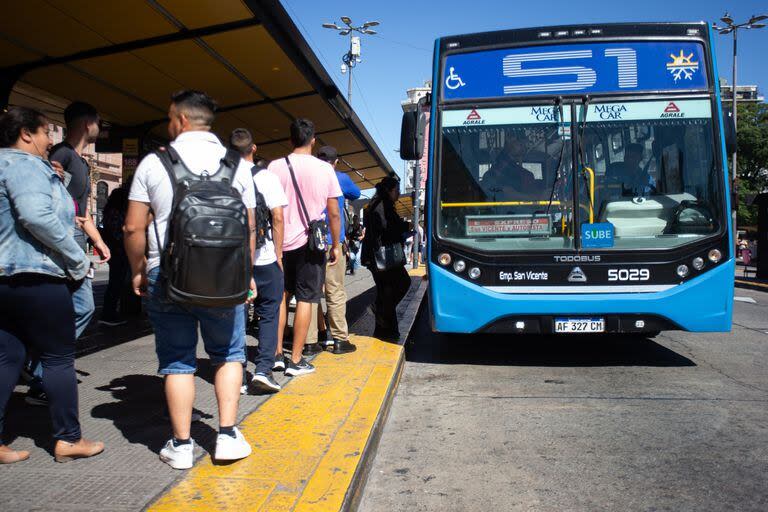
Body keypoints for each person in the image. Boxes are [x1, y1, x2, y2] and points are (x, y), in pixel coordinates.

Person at [124, 90, 256, 469]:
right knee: (229, 354)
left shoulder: (155, 162)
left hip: (167, 274)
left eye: (169, 118)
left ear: (180, 120)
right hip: (226, 277)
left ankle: (181, 446)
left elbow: (133, 226)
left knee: (177, 361)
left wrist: (138, 267)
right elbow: (248, 228)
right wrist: (245, 275)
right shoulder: (238, 164)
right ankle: (227, 436)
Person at [0, 106, 104, 464]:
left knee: (9, 356)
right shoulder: (25, 166)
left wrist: (51, 178)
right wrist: (76, 258)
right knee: (59, 358)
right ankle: (67, 439)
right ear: (26, 134)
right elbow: (35, 215)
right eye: (46, 133)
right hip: (37, 276)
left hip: (4, 278)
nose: (50, 141)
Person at [26, 102, 112, 406]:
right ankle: (38, 371)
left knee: (69, 308)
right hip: (62, 241)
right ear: (86, 122)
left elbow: (83, 210)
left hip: (75, 238)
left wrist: (98, 241)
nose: (100, 128)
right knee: (80, 306)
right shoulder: (61, 155)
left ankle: (36, 366)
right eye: (98, 122)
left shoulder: (79, 161)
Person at [268, 119, 342, 376]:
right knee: (306, 299)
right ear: (313, 140)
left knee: (280, 296)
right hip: (311, 243)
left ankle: (276, 354)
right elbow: (333, 213)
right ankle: (296, 359)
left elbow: (269, 208)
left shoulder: (274, 167)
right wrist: (336, 245)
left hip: (279, 243)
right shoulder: (325, 170)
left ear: (290, 140)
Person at [229, 128, 286, 394]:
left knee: (236, 315)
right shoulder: (267, 177)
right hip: (264, 256)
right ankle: (263, 370)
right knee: (269, 313)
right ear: (253, 148)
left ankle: (237, 373)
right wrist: (279, 254)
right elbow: (277, 217)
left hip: (234, 259)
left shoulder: (224, 176)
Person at [307, 145, 360, 355]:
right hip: (331, 241)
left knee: (310, 293)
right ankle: (339, 339)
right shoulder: (339, 177)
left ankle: (310, 342)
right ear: (335, 161)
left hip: (310, 240)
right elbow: (355, 194)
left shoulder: (308, 177)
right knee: (335, 290)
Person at [361, 176, 411, 341]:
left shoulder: (376, 204)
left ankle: (384, 330)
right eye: (397, 190)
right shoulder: (383, 206)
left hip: (375, 255)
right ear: (389, 191)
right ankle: (381, 312)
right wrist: (404, 228)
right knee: (402, 283)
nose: (399, 193)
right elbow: (387, 230)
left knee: (386, 291)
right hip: (382, 256)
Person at [98, 184, 130, 326]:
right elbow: (121, 233)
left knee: (115, 282)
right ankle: (109, 313)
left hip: (113, 250)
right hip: (120, 251)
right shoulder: (120, 214)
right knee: (116, 283)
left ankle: (110, 311)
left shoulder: (108, 211)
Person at [481, 134, 539, 200]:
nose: (523, 146)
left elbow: (533, 199)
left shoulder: (526, 175)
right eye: (519, 142)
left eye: (523, 144)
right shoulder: (490, 174)